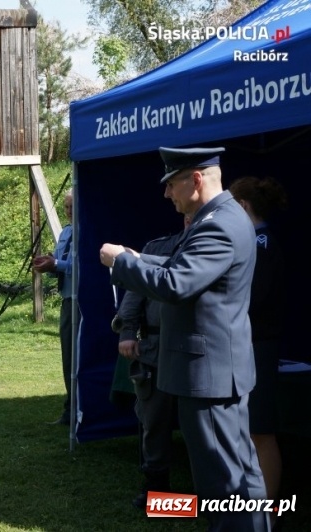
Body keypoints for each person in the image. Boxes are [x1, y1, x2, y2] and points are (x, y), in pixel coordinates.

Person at [99, 147, 269, 531]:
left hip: (208, 375)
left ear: (195, 179)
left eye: (171, 184)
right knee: (242, 475)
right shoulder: (226, 217)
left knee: (222, 484)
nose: (166, 194)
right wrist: (139, 257)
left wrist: (122, 263)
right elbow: (184, 267)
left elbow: (177, 283)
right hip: (219, 370)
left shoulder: (216, 225)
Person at [115, 215, 189, 510]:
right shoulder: (158, 248)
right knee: (154, 419)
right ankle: (157, 491)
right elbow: (135, 293)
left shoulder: (212, 247)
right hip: (156, 349)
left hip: (195, 353)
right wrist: (128, 332)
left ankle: (213, 492)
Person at [229, 176, 288, 509]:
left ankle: (267, 514)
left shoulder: (261, 244)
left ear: (241, 206)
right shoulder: (254, 241)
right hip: (247, 346)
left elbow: (251, 300)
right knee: (245, 432)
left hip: (258, 347)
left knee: (261, 432)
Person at [33, 188, 79, 426]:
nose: (70, 212)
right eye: (66, 207)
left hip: (82, 302)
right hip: (66, 300)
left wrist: (57, 263)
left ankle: (79, 410)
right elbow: (62, 265)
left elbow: (81, 266)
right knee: (67, 358)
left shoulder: (89, 231)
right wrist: (48, 264)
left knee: (79, 357)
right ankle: (69, 409)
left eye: (73, 206)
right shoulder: (65, 233)